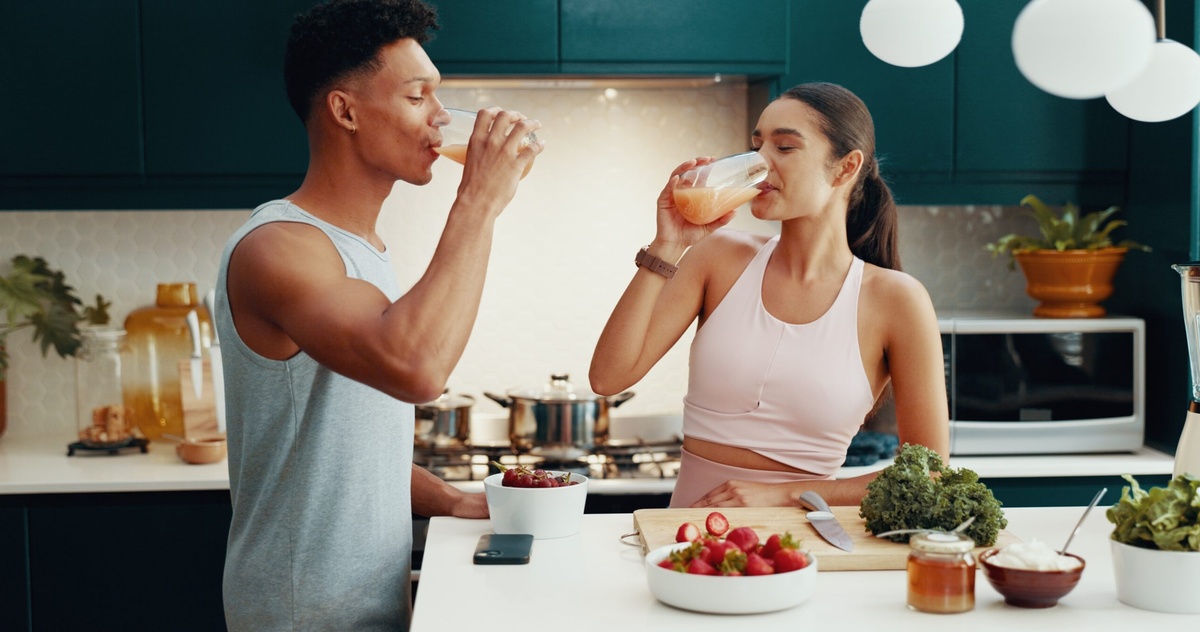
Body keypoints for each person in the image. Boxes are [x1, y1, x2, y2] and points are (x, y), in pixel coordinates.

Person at [214, 0, 542, 629]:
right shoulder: (278, 248)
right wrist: (479, 199)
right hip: (300, 610)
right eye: (418, 96)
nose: (442, 118)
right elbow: (418, 368)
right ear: (345, 111)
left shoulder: (359, 251)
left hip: (363, 604)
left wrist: (446, 498)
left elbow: (348, 446)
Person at [589, 82, 948, 509]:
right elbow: (608, 378)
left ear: (845, 167)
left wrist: (783, 495)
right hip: (686, 543)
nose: (759, 162)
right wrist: (668, 245)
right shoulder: (718, 257)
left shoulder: (896, 300)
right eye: (757, 145)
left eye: (785, 147)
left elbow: (931, 472)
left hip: (799, 548)